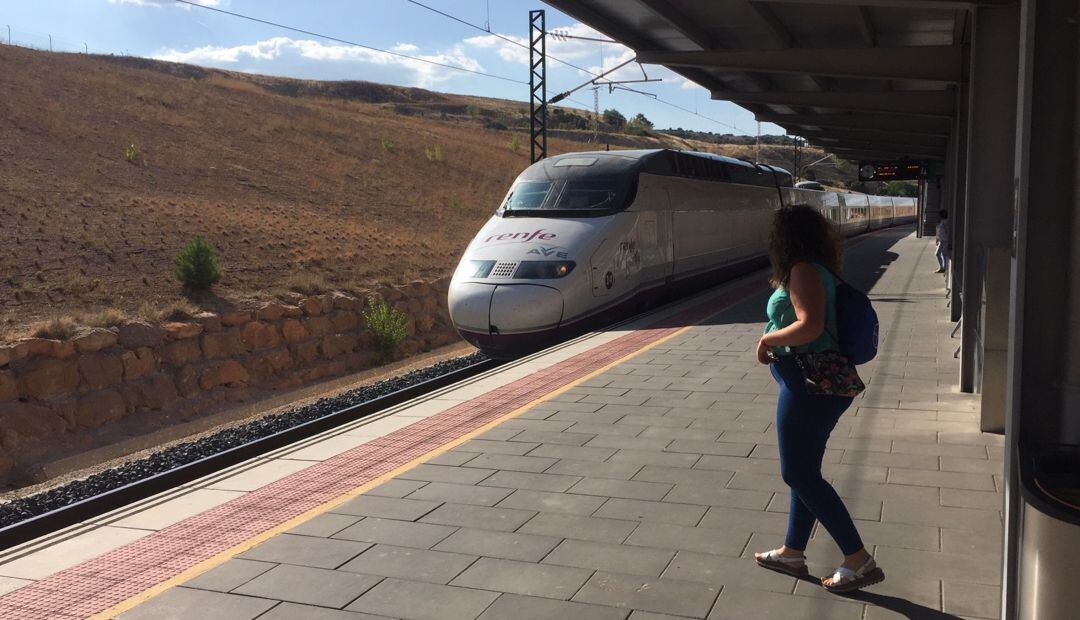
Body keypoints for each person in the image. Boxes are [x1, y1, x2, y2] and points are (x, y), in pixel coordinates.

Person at [752, 205, 885, 593]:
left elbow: (809, 326)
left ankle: (858, 559)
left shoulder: (803, 270)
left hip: (810, 384)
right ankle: (793, 552)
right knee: (805, 471)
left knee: (798, 474)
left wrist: (767, 340)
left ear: (784, 238)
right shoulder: (815, 269)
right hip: (816, 384)